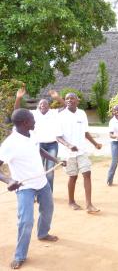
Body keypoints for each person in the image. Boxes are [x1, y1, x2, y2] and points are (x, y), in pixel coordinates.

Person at [0, 108, 66, 269]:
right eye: (32, 118)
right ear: (25, 123)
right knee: (26, 221)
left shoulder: (33, 134)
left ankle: (43, 233)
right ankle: (20, 255)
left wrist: (56, 159)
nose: (35, 121)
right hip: (25, 187)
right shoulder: (10, 144)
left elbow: (39, 150)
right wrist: (8, 180)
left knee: (48, 209)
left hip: (42, 183)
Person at [56, 93, 102, 213]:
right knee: (73, 177)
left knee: (87, 173)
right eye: (67, 98)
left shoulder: (82, 113)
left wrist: (95, 143)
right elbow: (58, 136)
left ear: (77, 100)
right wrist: (69, 145)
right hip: (68, 153)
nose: (69, 100)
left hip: (82, 151)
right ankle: (71, 201)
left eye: (72, 98)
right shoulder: (61, 116)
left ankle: (89, 205)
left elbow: (85, 132)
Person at [14, 84, 65, 192]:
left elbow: (66, 106)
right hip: (38, 145)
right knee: (38, 171)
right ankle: (37, 191)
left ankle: (48, 193)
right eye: (41, 104)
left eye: (46, 104)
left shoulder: (54, 113)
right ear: (38, 106)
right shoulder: (33, 114)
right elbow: (17, 111)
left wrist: (57, 98)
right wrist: (18, 98)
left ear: (49, 106)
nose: (43, 105)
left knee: (50, 171)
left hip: (52, 145)